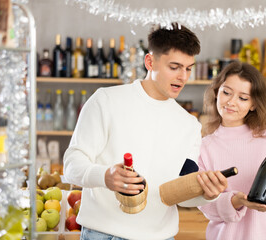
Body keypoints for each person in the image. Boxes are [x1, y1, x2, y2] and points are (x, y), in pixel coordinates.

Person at [63, 22, 227, 240]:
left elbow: (178, 195)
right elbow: (72, 164)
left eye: (188, 68)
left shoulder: (189, 125)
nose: (183, 77)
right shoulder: (106, 100)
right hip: (104, 234)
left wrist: (208, 194)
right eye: (174, 67)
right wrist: (106, 176)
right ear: (150, 62)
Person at [197, 61, 266, 240]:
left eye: (243, 98)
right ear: (217, 92)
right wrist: (237, 201)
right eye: (226, 92)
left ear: (254, 104)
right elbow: (207, 207)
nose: (231, 102)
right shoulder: (204, 147)